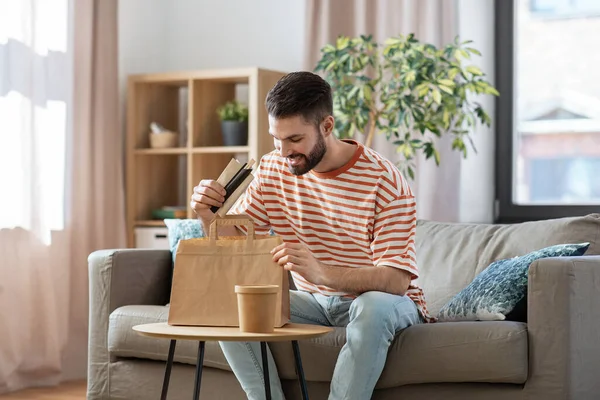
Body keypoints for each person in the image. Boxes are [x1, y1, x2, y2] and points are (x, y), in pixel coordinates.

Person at [190, 71, 434, 400]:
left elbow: (395, 281)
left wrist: (321, 273)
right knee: (229, 301)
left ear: (327, 126)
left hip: (388, 303)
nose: (284, 150)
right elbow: (237, 244)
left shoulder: (385, 181)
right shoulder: (273, 169)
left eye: (295, 139)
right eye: (277, 138)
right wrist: (208, 216)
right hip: (316, 303)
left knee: (374, 306)